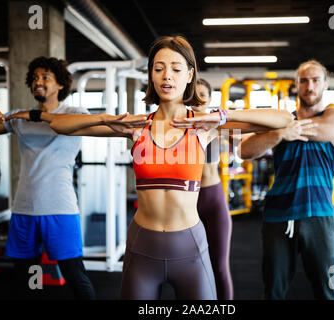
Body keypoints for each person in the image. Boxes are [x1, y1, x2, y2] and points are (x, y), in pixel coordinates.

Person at [48, 35, 293, 300]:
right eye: (159, 68)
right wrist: (105, 118)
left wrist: (223, 115)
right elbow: (58, 125)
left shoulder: (205, 125)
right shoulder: (136, 125)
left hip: (190, 249)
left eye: (176, 69)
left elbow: (283, 119)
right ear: (151, 76)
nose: (167, 76)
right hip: (142, 247)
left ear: (189, 75)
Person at [0, 57, 146, 300]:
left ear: (60, 85)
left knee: (74, 275)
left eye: (45, 77)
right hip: (24, 209)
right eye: (35, 78)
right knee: (26, 278)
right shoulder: (18, 118)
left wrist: (34, 115)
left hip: (59, 208)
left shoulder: (74, 113)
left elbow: (63, 125)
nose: (39, 82)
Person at [238, 59, 334, 300]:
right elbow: (244, 150)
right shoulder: (280, 124)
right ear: (296, 85)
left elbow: (321, 130)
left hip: (321, 216)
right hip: (278, 216)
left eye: (315, 80)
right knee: (273, 292)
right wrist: (279, 134)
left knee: (329, 290)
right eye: (304, 81)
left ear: (325, 84)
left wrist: (284, 127)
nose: (310, 86)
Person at [191, 78, 233, 300]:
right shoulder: (181, 126)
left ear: (210, 99)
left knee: (219, 266)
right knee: (192, 268)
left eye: (203, 96)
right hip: (189, 202)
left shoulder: (220, 126)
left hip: (214, 198)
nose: (198, 101)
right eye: (194, 95)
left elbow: (246, 135)